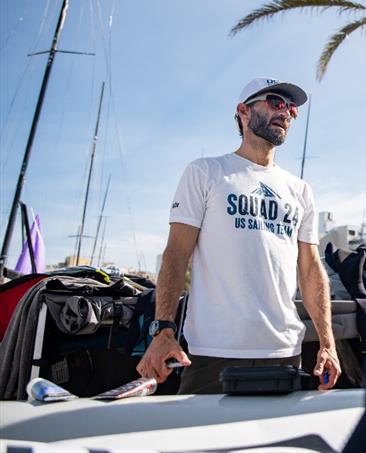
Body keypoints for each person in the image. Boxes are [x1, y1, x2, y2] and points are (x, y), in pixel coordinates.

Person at [137, 77, 340, 393]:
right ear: (243, 111)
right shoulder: (206, 172)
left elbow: (311, 270)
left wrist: (328, 343)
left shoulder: (300, 190)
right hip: (212, 355)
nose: (286, 112)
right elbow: (176, 254)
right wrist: (163, 331)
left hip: (285, 353)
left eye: (292, 107)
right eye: (276, 101)